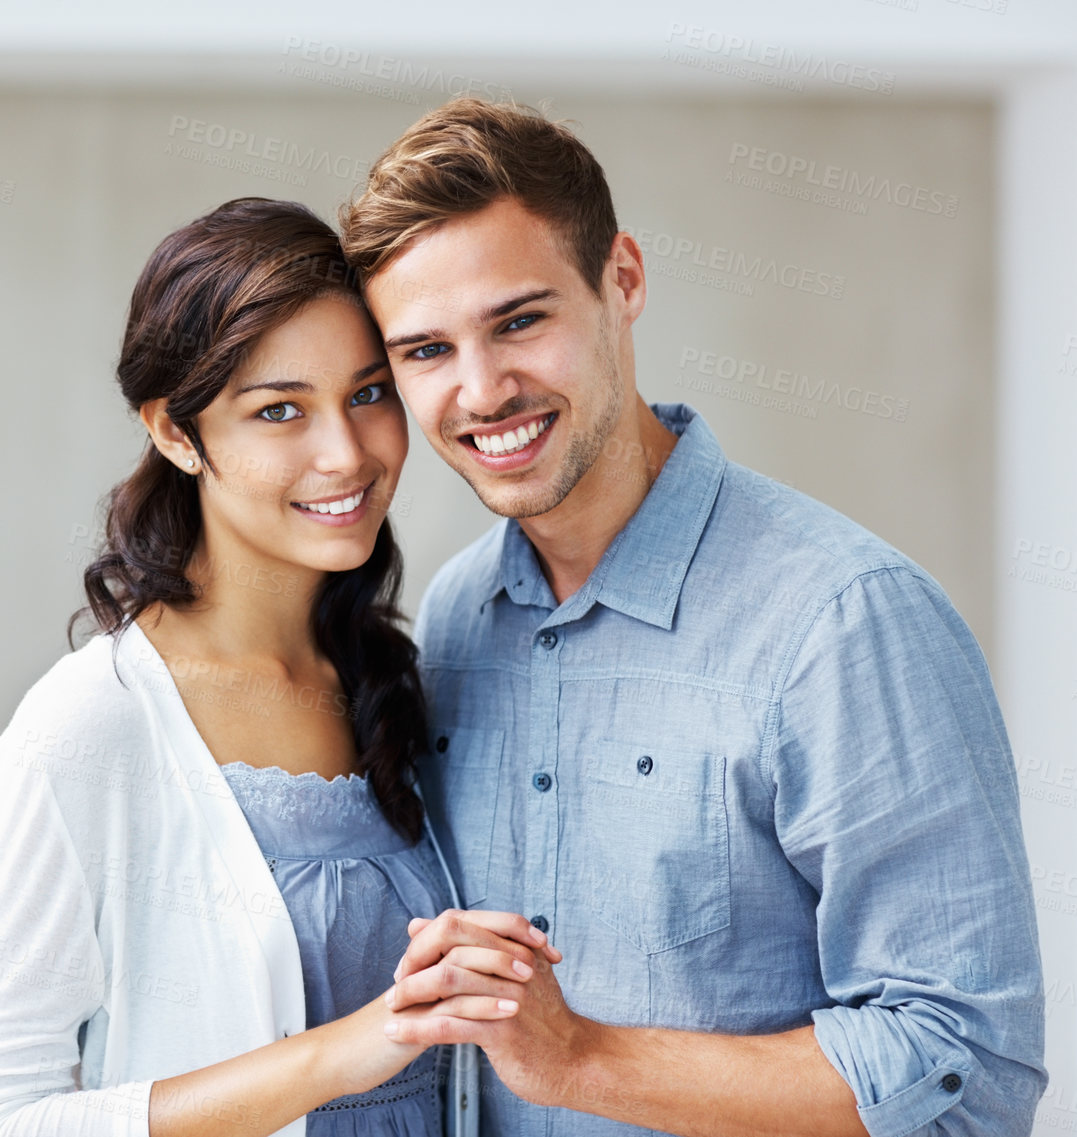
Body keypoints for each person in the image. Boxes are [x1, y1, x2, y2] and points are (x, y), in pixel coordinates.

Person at [335, 97, 1047, 1136]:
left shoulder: (843, 623)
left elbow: (963, 1064)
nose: (481, 391)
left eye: (519, 320)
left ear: (620, 279)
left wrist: (581, 1058)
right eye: (425, 351)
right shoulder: (452, 617)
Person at [0, 198, 560, 1137]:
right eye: (278, 410)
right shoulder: (88, 728)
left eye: (366, 393)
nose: (345, 453)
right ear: (176, 433)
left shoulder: (398, 677)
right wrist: (342, 1051)